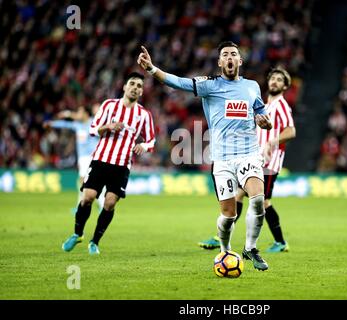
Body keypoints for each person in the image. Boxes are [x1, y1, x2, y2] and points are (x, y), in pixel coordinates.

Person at [137, 41, 273, 270]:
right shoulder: (210, 85)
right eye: (225, 55)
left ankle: (251, 248)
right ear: (220, 62)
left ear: (240, 61)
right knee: (229, 215)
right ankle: (224, 250)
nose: (229, 58)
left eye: (233, 54)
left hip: (249, 154)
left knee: (258, 200)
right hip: (222, 159)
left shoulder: (252, 86)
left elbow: (261, 111)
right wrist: (152, 69)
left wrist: (265, 121)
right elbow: (178, 83)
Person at [198, 67, 296, 253]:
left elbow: (291, 131)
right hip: (254, 159)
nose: (274, 82)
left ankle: (281, 242)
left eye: (279, 80)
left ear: (285, 86)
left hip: (268, 162)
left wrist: (272, 142)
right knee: (238, 196)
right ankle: (221, 236)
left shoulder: (281, 105)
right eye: (272, 78)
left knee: (263, 201)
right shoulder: (265, 105)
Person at [61, 72, 156, 255]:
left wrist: (143, 145)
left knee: (110, 203)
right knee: (88, 197)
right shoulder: (109, 105)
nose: (136, 88)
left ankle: (94, 242)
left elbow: (151, 140)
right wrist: (108, 127)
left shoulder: (144, 114)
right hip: (100, 160)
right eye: (132, 84)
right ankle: (77, 234)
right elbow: (92, 129)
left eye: (139, 86)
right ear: (124, 87)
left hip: (122, 165)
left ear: (142, 92)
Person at [44, 105, 106, 213]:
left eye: (80, 112)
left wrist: (68, 113)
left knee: (91, 181)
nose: (78, 115)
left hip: (92, 156)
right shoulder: (78, 125)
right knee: (84, 181)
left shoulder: (93, 123)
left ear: (86, 114)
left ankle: (97, 205)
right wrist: (52, 124)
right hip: (82, 158)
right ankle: (82, 205)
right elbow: (65, 124)